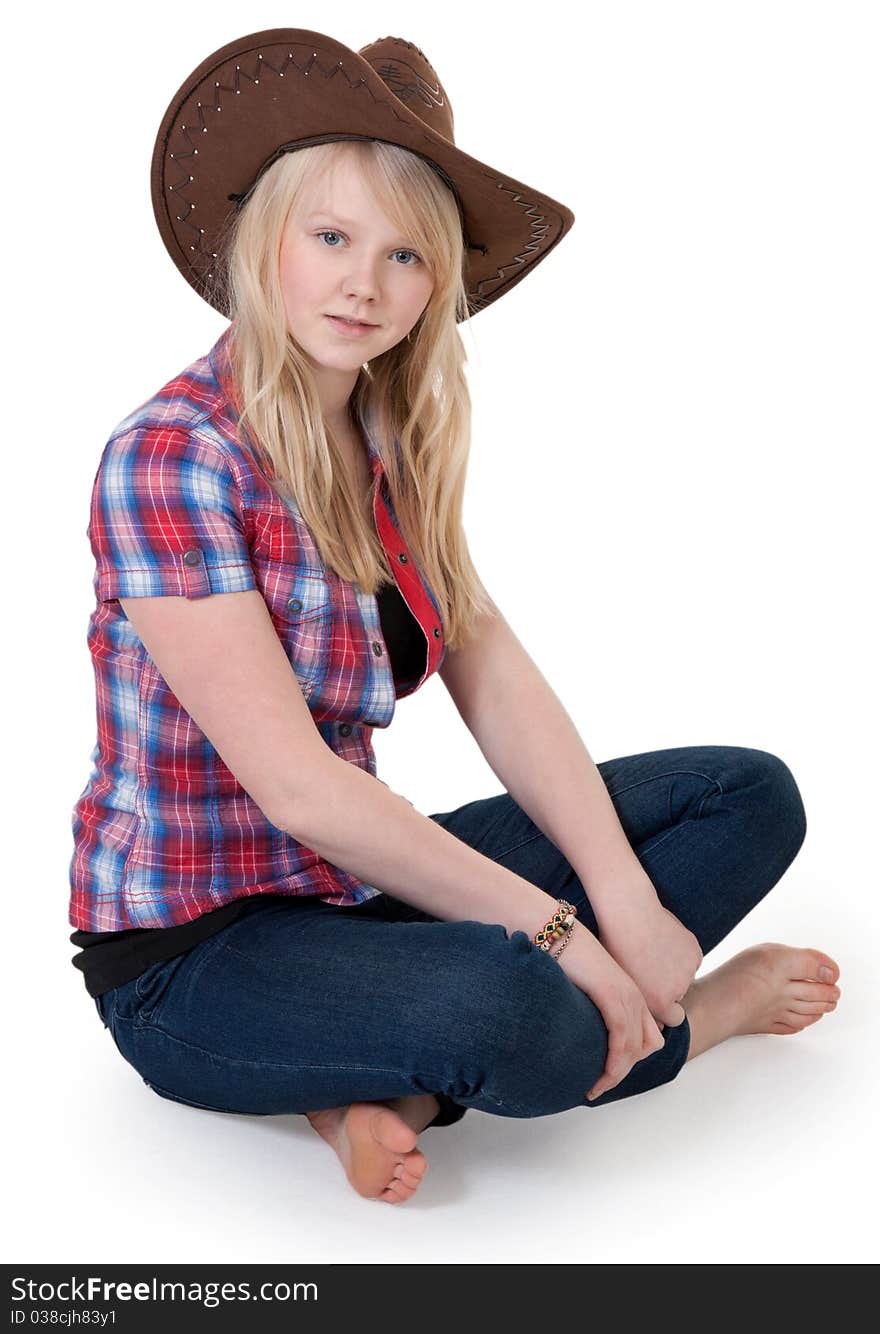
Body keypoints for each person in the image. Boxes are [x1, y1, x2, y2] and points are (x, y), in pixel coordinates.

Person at [68, 28, 840, 1206]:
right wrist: (562, 935)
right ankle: (702, 1017)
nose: (363, 285)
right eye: (330, 236)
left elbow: (490, 669)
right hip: (196, 956)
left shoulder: (386, 431)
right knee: (519, 1013)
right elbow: (303, 789)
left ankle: (385, 1084)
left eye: (405, 255)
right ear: (261, 237)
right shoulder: (170, 458)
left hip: (350, 887)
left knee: (748, 793)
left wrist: (619, 894)